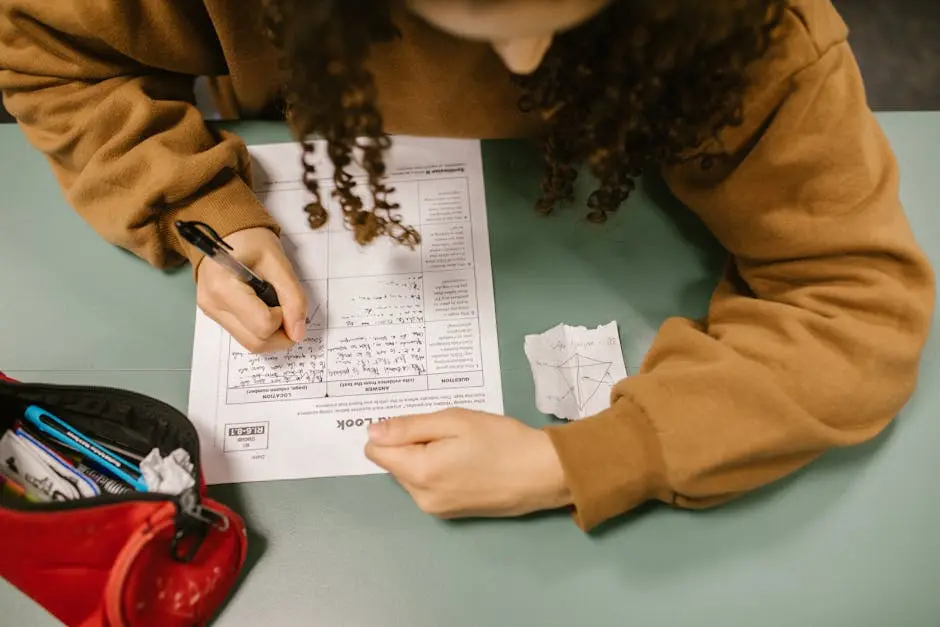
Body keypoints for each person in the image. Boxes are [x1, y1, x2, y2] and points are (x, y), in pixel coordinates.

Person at [0, 0, 933, 532]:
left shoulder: (751, 27)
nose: (528, 61)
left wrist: (577, 459)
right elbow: (47, 51)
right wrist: (196, 206)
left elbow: (858, 303)